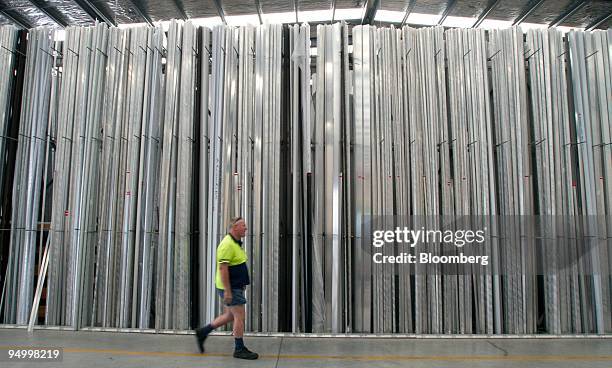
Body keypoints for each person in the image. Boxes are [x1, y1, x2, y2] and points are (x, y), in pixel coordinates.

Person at [194, 217, 258, 360]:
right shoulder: (227, 244)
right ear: (234, 228)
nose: (246, 228)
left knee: (230, 316)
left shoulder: (235, 243)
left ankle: (203, 332)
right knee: (240, 317)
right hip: (231, 288)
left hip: (235, 287)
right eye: (243, 225)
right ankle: (239, 349)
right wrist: (228, 291)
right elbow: (223, 269)